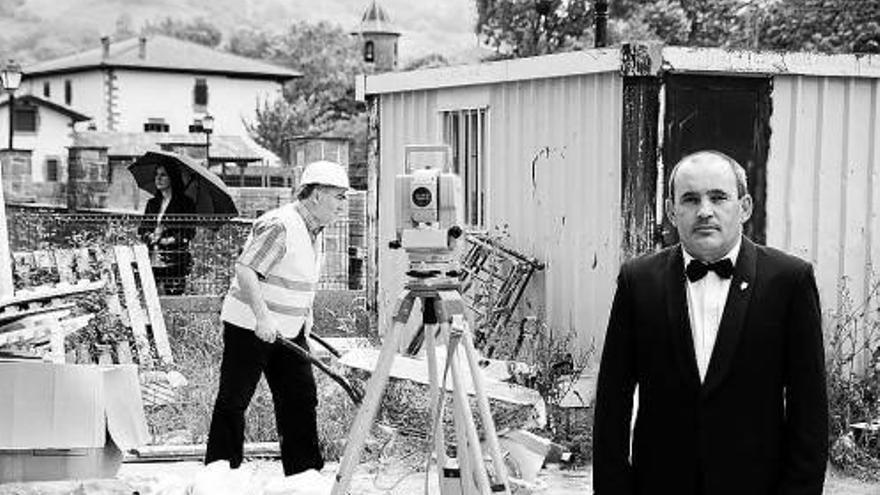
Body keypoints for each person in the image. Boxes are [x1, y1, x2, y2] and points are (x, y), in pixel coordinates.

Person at [592, 150, 828, 495]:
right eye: (690, 199)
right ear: (672, 212)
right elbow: (613, 402)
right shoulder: (638, 282)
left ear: (744, 207)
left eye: (718, 197)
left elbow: (810, 410)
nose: (705, 211)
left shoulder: (789, 281)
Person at [204, 160, 350, 476]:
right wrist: (262, 318)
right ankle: (218, 473)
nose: (343, 204)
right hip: (249, 325)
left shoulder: (315, 230)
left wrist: (305, 317)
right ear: (317, 195)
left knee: (300, 397)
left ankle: (303, 472)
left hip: (288, 330)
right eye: (339, 196)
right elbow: (246, 269)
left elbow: (299, 277)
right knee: (235, 398)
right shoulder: (281, 225)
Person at [138, 163, 196, 295]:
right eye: (156, 175)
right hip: (152, 257)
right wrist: (150, 236)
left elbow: (189, 232)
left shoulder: (185, 204)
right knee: (150, 297)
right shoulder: (152, 204)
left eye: (163, 175)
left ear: (173, 178)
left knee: (174, 298)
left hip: (174, 260)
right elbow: (142, 229)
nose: (158, 179)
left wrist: (168, 240)